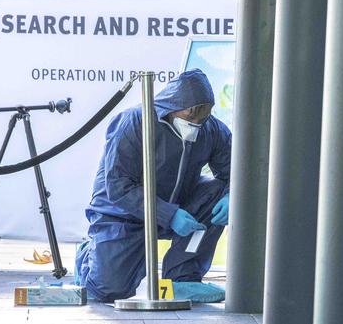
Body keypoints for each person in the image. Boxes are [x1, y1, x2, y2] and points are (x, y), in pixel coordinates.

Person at [75, 69, 231, 303]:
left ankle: (183, 277)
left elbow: (236, 172)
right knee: (108, 290)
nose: (196, 123)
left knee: (217, 192)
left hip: (179, 206)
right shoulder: (134, 122)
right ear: (173, 105)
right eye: (190, 115)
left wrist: (232, 196)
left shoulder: (212, 130)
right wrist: (168, 214)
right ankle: (89, 254)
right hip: (124, 215)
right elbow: (118, 186)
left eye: (202, 117)